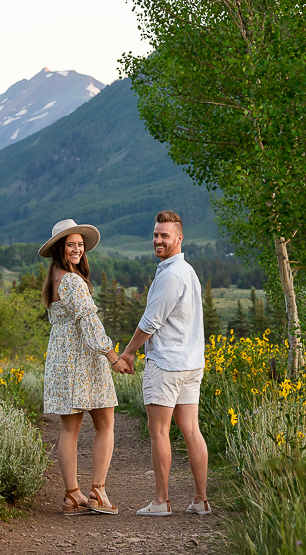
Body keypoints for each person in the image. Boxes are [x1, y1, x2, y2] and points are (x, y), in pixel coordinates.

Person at [118, 210, 211, 516]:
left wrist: (129, 352)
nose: (158, 240)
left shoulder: (171, 275)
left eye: (164, 236)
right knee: (191, 430)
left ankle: (161, 502)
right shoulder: (187, 271)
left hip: (168, 364)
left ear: (179, 239)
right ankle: (200, 501)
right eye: (156, 235)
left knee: (159, 432)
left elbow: (150, 322)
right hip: (191, 362)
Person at [40, 218, 132, 516]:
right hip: (84, 360)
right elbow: (90, 323)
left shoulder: (55, 278)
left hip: (63, 361)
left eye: (80, 245)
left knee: (70, 429)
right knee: (105, 424)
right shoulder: (73, 281)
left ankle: (72, 495)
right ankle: (98, 491)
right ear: (60, 249)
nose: (77, 250)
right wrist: (113, 356)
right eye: (71, 245)